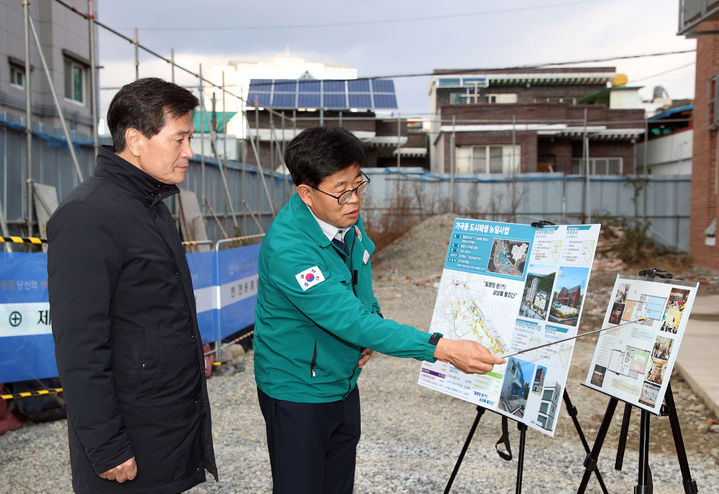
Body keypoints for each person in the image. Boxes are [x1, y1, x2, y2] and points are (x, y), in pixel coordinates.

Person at [254, 126, 505, 494]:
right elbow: (349, 318)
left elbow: (360, 287)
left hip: (342, 383)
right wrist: (442, 348)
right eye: (341, 191)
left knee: (338, 484)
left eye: (359, 184)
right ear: (306, 193)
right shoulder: (290, 249)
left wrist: (374, 324)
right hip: (297, 392)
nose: (354, 199)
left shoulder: (346, 223)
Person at [48, 77, 217, 494]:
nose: (189, 152)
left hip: (164, 426)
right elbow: (80, 346)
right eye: (179, 139)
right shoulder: (88, 215)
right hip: (131, 438)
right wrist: (106, 446)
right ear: (136, 140)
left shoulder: (152, 205)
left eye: (190, 139)